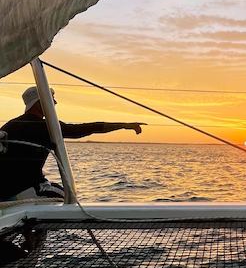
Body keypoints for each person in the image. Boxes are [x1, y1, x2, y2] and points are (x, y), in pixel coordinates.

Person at [0, 86, 144, 200]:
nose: (55, 103)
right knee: (69, 196)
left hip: (4, 191)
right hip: (26, 190)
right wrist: (125, 125)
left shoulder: (9, 125)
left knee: (53, 187)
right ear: (40, 103)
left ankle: (30, 237)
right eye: (51, 99)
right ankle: (37, 237)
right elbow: (82, 129)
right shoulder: (46, 127)